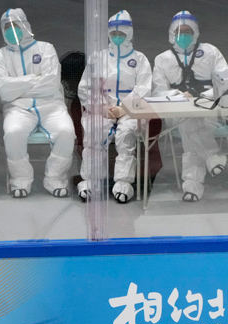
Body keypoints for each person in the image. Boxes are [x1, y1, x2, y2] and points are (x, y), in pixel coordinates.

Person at [0, 8, 75, 199]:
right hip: (18, 109)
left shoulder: (46, 49)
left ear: (25, 26)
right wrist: (34, 79)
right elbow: (3, 89)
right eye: (7, 27)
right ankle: (20, 179)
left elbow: (51, 83)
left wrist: (18, 86)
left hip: (51, 106)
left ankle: (55, 178)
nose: (11, 30)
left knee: (66, 132)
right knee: (13, 133)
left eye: (15, 26)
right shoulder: (0, 56)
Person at [152, 11, 228, 202]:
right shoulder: (162, 60)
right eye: (180, 31)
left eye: (188, 31)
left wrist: (202, 96)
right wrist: (178, 96)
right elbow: (157, 92)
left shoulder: (211, 52)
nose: (184, 35)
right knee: (188, 119)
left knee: (190, 126)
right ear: (172, 34)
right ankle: (212, 155)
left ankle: (192, 187)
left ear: (195, 33)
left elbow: (226, 82)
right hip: (175, 111)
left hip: (207, 108)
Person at [76, 10, 152, 203]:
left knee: (125, 136)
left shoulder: (140, 59)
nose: (117, 37)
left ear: (130, 33)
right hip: (102, 109)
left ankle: (124, 183)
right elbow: (86, 87)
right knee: (94, 135)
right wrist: (100, 108)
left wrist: (123, 109)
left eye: (122, 34)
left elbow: (144, 88)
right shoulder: (98, 58)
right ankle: (90, 182)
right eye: (114, 34)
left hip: (130, 110)